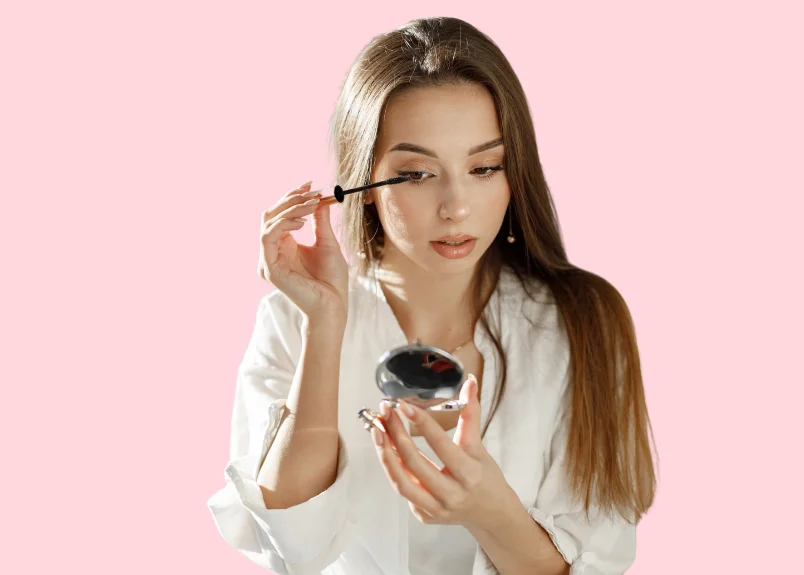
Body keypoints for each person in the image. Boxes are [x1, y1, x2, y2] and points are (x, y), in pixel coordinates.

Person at [207, 16, 657, 575]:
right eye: (417, 174)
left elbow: (601, 561)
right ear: (364, 183)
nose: (456, 206)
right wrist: (325, 322)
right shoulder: (291, 318)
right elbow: (292, 546)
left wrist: (491, 512)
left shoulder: (583, 324)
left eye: (485, 167)